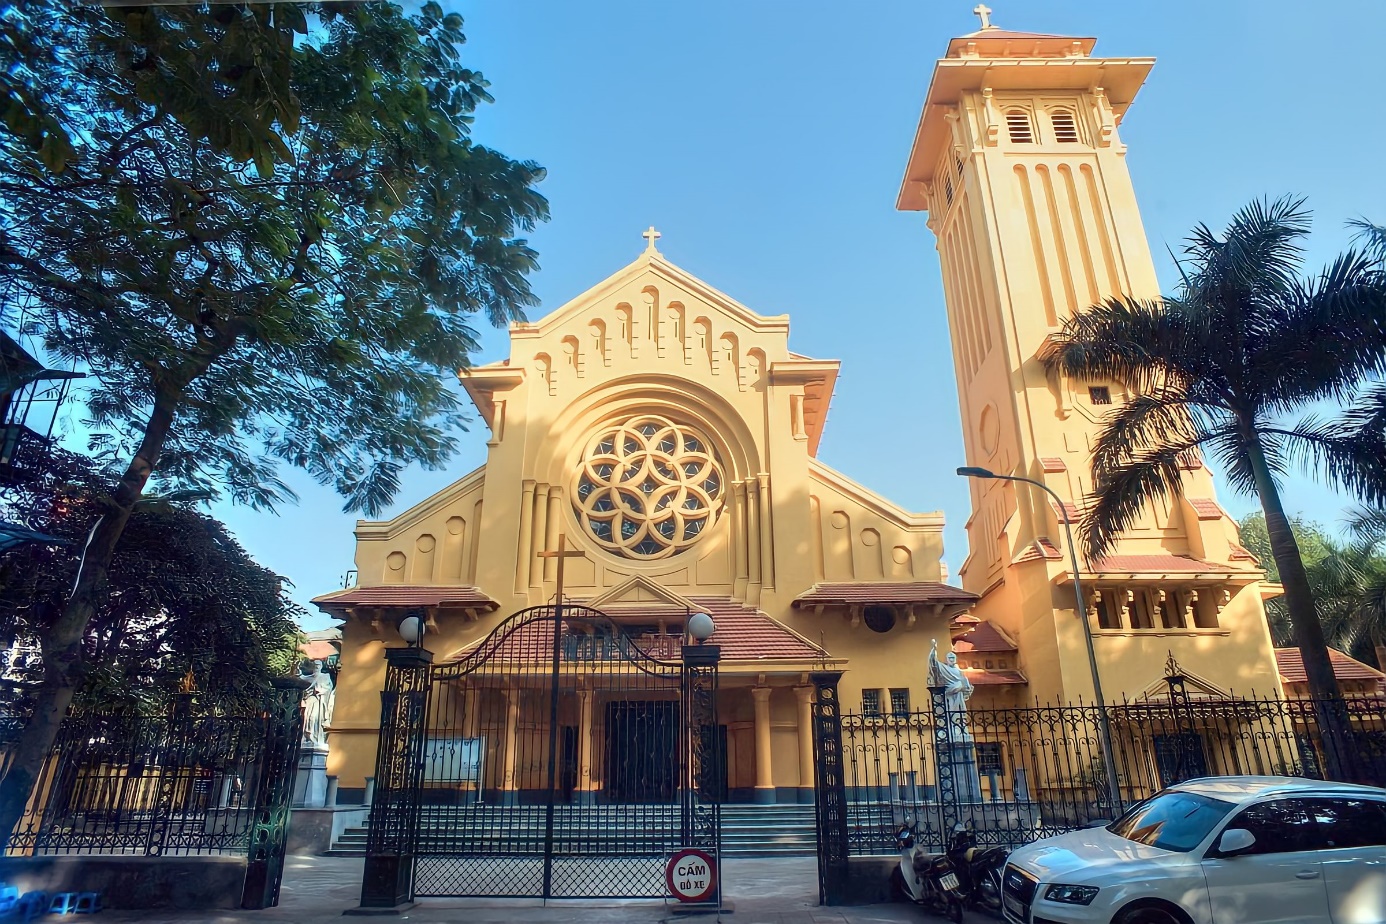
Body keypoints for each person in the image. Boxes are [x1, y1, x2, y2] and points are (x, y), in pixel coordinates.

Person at [927, 638, 974, 717]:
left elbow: (965, 684)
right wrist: (934, 649)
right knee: (950, 713)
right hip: (948, 694)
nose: (951, 659)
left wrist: (965, 686)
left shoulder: (959, 671)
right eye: (950, 658)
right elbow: (933, 663)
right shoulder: (944, 668)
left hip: (959, 695)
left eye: (953, 658)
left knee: (959, 715)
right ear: (947, 659)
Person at [299, 659, 336, 747]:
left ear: (321, 666)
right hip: (311, 700)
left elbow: (329, 687)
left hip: (320, 701)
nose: (317, 667)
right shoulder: (310, 677)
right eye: (315, 665)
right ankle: (308, 737)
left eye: (318, 665)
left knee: (315, 717)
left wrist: (321, 691)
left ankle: (316, 737)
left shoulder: (325, 676)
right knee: (307, 718)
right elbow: (301, 678)